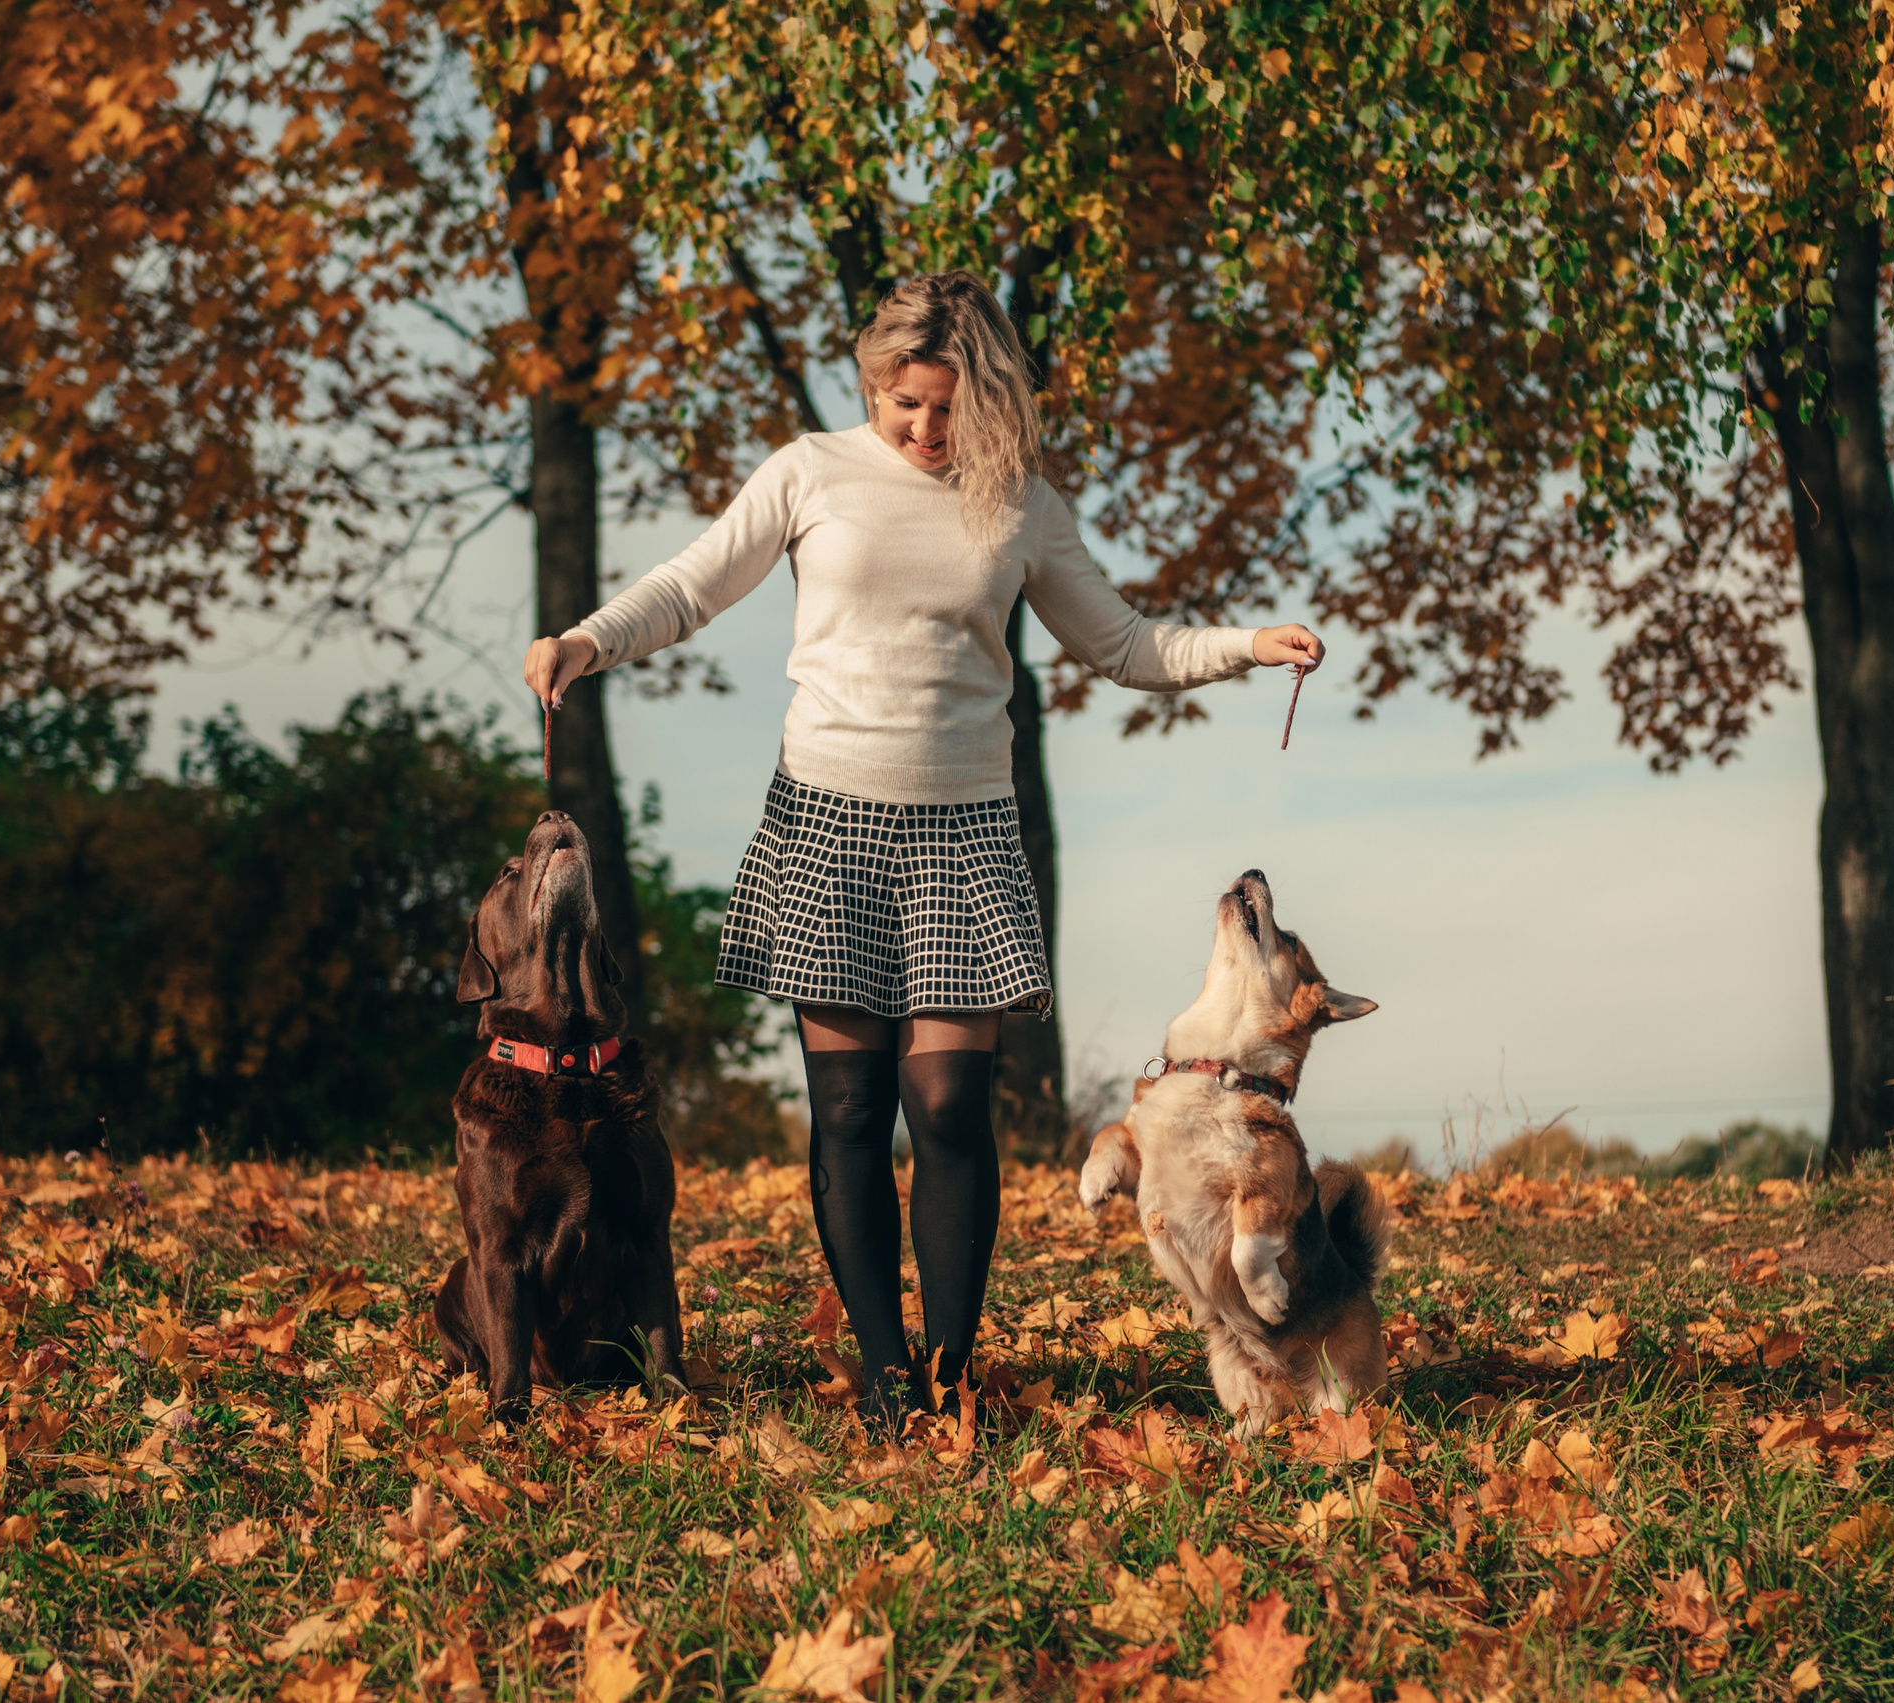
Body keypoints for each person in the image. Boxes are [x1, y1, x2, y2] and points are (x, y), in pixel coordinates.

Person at [522, 270, 1323, 1430]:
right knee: (846, 1111)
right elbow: (695, 585)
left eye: (945, 407)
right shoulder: (810, 471)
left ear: (985, 394)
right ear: (872, 385)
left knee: (948, 1105)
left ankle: (949, 1371)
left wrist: (1248, 642)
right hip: (827, 820)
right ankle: (884, 1373)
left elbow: (1126, 643)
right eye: (903, 404)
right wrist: (588, 641)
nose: (922, 429)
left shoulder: (1019, 504)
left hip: (963, 830)